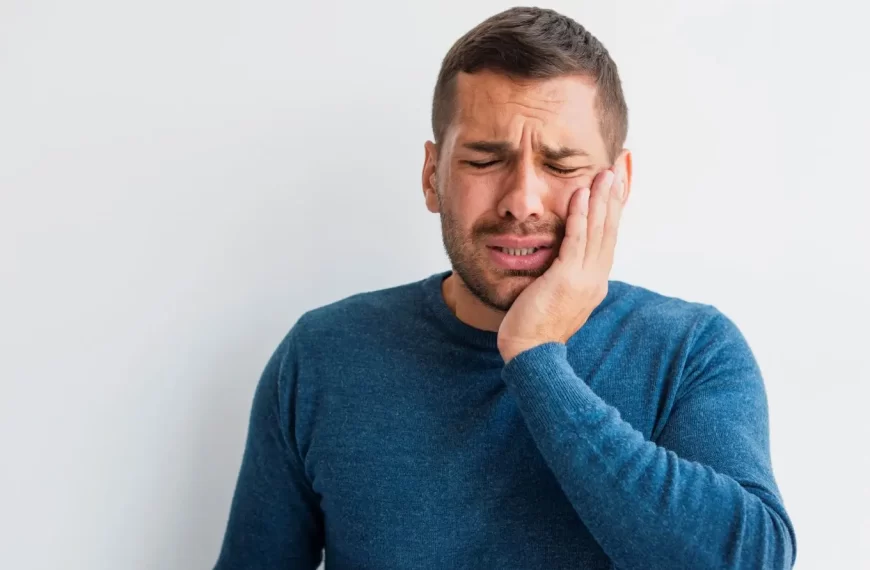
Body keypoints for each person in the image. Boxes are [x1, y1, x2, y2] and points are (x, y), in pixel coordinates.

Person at [213, 6, 797, 569]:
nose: (521, 201)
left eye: (562, 166)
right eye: (484, 160)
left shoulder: (690, 350)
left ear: (617, 184)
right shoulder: (322, 356)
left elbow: (748, 560)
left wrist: (536, 359)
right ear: (430, 176)